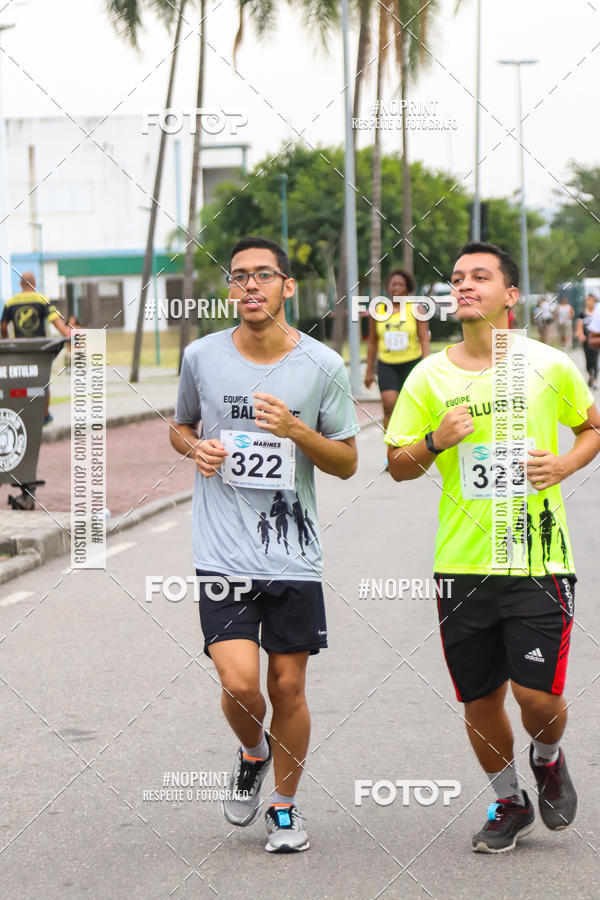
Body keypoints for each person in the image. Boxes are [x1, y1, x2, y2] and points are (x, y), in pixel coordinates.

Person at [385, 241, 600, 854]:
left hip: (537, 557)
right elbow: (397, 465)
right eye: (457, 278)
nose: (464, 285)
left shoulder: (548, 364)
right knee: (479, 701)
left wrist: (564, 465)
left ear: (510, 295)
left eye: (480, 276)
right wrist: (434, 440)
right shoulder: (429, 376)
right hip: (460, 564)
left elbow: (592, 428)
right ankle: (509, 800)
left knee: (538, 696)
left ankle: (548, 757)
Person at [170, 236, 359, 854]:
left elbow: (347, 462)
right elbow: (180, 426)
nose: (250, 285)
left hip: (292, 553)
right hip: (221, 550)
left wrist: (296, 429)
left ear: (287, 286)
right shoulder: (201, 356)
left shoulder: (322, 364)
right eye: (239, 276)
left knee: (288, 687)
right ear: (230, 289)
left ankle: (284, 806)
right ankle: (254, 751)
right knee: (239, 684)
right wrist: (195, 448)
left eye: (263, 275)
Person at [1, 271, 71, 424]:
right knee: (42, 381)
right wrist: (71, 335)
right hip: (39, 350)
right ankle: (45, 415)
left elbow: (3, 325)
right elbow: (56, 322)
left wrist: (7, 341)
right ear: (34, 283)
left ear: (20, 284)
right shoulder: (42, 299)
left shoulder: (11, 302)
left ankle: (21, 413)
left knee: (21, 381)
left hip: (19, 349)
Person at [364, 269, 430, 433]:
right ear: (388, 287)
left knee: (412, 407)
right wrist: (368, 371)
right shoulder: (378, 310)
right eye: (393, 284)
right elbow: (372, 341)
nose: (397, 288)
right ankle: (391, 444)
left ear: (408, 288)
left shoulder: (416, 310)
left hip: (412, 363)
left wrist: (426, 365)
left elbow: (424, 338)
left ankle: (411, 441)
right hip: (387, 364)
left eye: (401, 284)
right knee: (389, 405)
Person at [574, 294, 598, 388]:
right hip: (586, 340)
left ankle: (594, 378)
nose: (590, 302)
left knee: (595, 358)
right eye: (588, 300)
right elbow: (579, 325)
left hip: (595, 339)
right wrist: (580, 335)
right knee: (588, 359)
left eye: (592, 300)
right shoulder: (582, 314)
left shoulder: (597, 313)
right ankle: (590, 374)